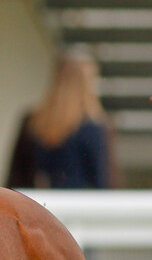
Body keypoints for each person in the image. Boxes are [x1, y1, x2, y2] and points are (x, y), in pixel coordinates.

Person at [6, 52, 114, 189]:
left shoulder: (32, 122)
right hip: (78, 205)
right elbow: (102, 181)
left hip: (37, 202)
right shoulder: (93, 126)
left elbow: (16, 176)